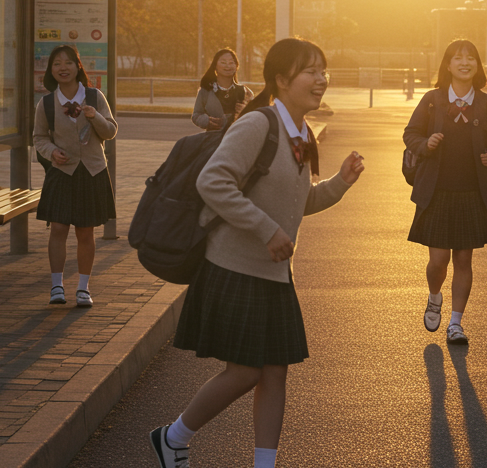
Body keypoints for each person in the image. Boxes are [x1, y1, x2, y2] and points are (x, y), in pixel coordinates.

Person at [150, 38, 366, 468]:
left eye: (324, 71)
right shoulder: (259, 124)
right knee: (247, 370)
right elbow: (213, 182)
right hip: (235, 266)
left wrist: (340, 183)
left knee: (274, 372)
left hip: (273, 274)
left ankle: (264, 464)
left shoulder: (300, 132)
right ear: (282, 79)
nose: (321, 80)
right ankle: (173, 437)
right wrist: (267, 230)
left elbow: (297, 203)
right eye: (311, 71)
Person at [403, 39, 487, 345]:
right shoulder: (432, 100)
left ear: (478, 65)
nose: (465, 62)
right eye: (458, 58)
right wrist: (426, 144)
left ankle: (456, 323)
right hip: (435, 192)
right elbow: (410, 134)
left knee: (464, 260)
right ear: (447, 65)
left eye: (471, 58)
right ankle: (434, 296)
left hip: (471, 193)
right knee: (438, 262)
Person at [32, 45, 118, 308]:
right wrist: (52, 152)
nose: (62, 67)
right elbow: (39, 138)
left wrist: (94, 117)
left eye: (68, 62)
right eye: (56, 63)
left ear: (78, 67)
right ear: (51, 71)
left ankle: (83, 288)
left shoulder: (94, 96)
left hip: (92, 171)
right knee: (58, 228)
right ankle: (56, 285)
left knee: (85, 231)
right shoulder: (46, 103)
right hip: (62, 171)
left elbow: (111, 131)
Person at [192, 48, 253, 131]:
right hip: (212, 139)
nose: (228, 66)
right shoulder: (206, 90)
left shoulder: (244, 91)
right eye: (223, 62)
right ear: (215, 66)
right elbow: (196, 115)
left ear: (236, 66)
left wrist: (245, 111)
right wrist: (207, 121)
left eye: (231, 63)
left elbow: (254, 118)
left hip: (236, 138)